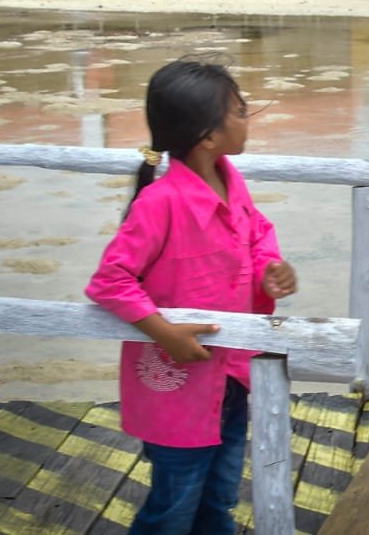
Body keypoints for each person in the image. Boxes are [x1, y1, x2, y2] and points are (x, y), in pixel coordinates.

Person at [87, 59, 298, 535]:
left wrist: (269, 267)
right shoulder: (160, 203)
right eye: (240, 112)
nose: (248, 121)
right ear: (207, 136)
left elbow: (258, 231)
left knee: (219, 501)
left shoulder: (230, 180)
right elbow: (110, 279)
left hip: (231, 379)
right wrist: (163, 332)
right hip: (178, 387)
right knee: (173, 507)